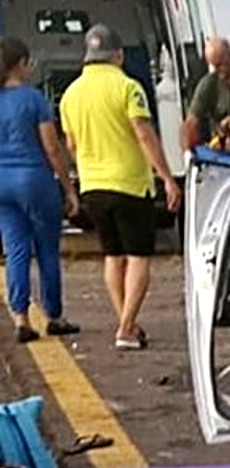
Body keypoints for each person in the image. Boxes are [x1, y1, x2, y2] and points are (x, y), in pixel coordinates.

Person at [59, 24, 182, 350]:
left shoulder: (70, 95)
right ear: (118, 55)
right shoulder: (129, 88)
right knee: (139, 256)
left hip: (92, 187)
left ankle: (126, 322)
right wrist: (167, 177)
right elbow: (143, 134)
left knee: (113, 256)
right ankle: (126, 327)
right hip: (129, 185)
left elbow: (71, 144)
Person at [0, 38, 81, 343]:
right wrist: (69, 188)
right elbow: (51, 147)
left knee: (16, 250)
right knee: (47, 249)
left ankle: (21, 318)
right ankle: (54, 316)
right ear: (21, 64)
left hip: (2, 184)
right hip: (34, 180)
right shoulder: (34, 99)